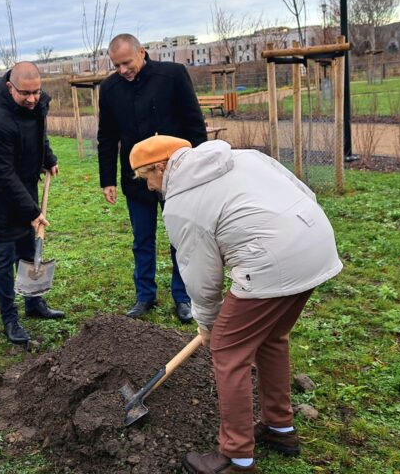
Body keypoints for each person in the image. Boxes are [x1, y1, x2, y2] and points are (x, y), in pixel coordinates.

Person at [129, 135, 343, 474]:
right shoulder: (243, 157)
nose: (150, 187)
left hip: (274, 261)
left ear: (160, 166)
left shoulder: (182, 204)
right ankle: (279, 428)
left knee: (228, 351)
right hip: (315, 240)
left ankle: (236, 458)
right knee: (271, 338)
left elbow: (201, 277)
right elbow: (301, 191)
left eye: (147, 178)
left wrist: (208, 325)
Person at [97, 33, 208, 323]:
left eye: (127, 63)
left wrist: (199, 168)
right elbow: (107, 136)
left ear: (142, 52)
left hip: (177, 175)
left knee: (180, 238)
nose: (122, 70)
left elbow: (195, 124)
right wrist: (107, 179)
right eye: (116, 65)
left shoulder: (173, 76)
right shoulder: (109, 89)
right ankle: (145, 296)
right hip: (136, 178)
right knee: (142, 239)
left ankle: (183, 297)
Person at [0, 61, 64, 345]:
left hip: (24, 181)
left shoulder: (37, 105)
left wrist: (48, 158)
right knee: (4, 255)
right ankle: (9, 318)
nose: (32, 99)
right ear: (9, 87)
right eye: (25, 93)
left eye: (36, 92)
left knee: (27, 245)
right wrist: (33, 211)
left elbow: (39, 134)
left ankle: (34, 303)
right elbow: (2, 175)